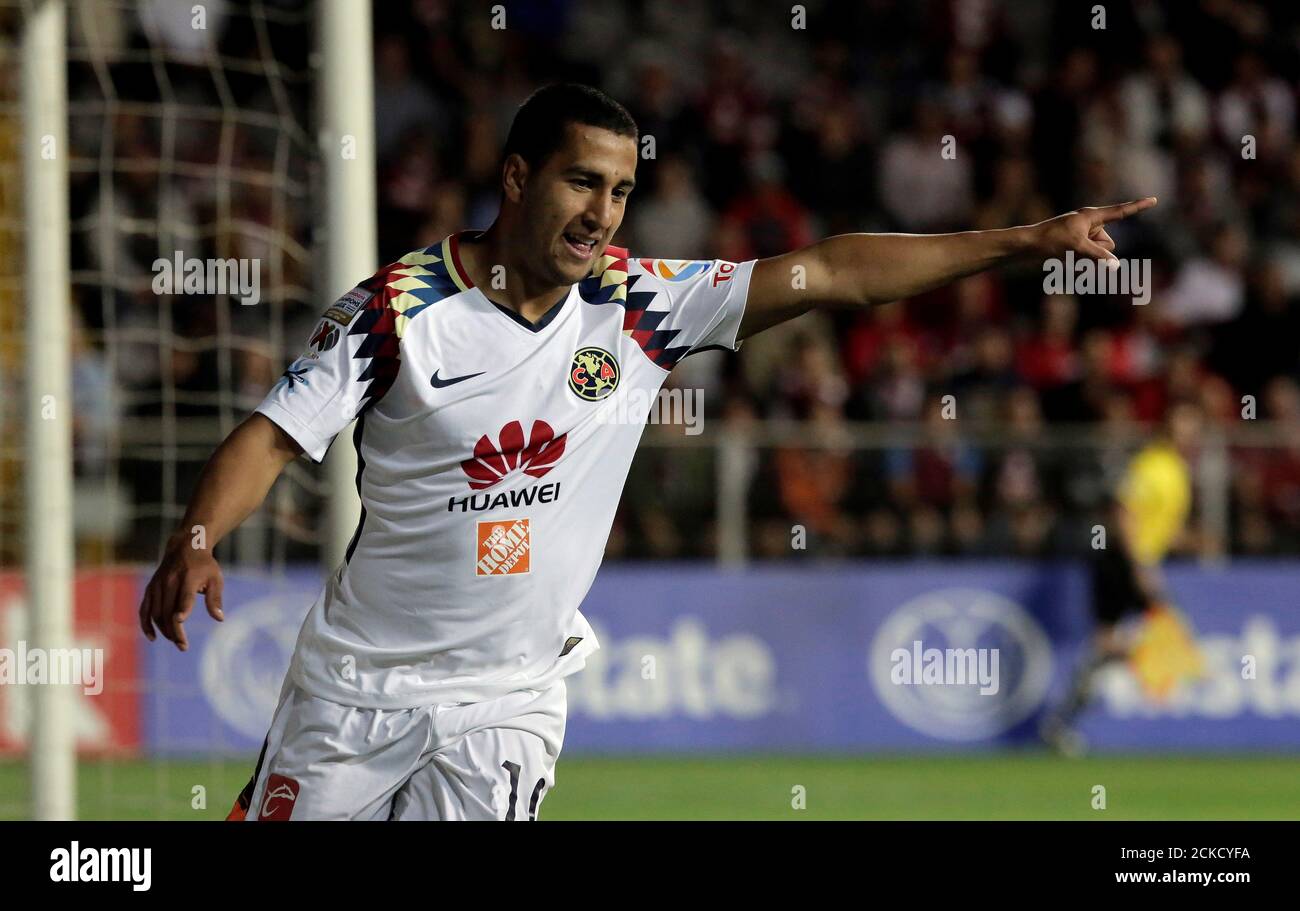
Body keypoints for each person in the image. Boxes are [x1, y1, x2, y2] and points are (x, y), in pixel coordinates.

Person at [137, 82, 1157, 820]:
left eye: (621, 191)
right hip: (357, 690)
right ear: (517, 175)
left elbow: (835, 273)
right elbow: (273, 433)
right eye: (582, 182)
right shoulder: (398, 312)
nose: (602, 214)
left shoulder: (641, 304)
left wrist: (1023, 239)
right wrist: (196, 534)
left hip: (510, 696)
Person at [1039, 400, 1201, 755]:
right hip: (1118, 560)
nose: (1189, 437)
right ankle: (1068, 714)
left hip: (1131, 560)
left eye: (1192, 430)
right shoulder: (1152, 465)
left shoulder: (1175, 471)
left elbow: (1159, 526)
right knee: (1167, 633)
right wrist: (1139, 566)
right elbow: (1124, 514)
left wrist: (1196, 541)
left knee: (1118, 642)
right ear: (1167, 431)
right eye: (1182, 430)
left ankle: (1063, 719)